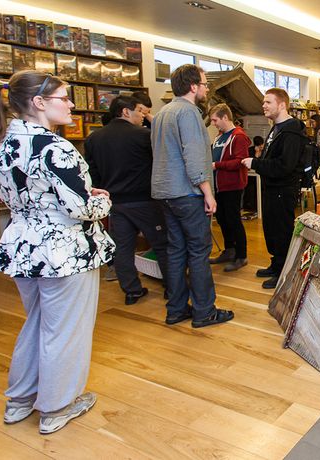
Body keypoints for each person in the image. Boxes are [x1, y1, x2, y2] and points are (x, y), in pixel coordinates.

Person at [0, 70, 115, 434]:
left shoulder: (1, 143)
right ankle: (57, 406)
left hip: (24, 246)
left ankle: (19, 400)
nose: (71, 104)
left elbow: (26, 193)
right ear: (39, 102)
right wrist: (103, 200)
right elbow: (81, 208)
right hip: (64, 250)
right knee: (65, 329)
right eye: (64, 98)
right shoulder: (54, 147)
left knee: (37, 324)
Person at [151, 64, 234, 327]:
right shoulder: (188, 113)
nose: (207, 89)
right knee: (199, 252)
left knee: (176, 251)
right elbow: (195, 156)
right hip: (188, 193)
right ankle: (204, 311)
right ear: (192, 86)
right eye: (204, 84)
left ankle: (176, 309)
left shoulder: (162, 113)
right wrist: (208, 193)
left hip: (165, 193)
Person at [85, 95, 170, 305]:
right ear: (125, 111)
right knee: (162, 244)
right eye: (139, 111)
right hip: (145, 200)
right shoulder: (143, 135)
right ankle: (172, 286)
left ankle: (132, 291)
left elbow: (92, 174)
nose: (142, 116)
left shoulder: (94, 138)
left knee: (123, 248)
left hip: (115, 202)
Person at [241, 88, 303, 289]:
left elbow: (285, 165)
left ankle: (284, 271)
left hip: (282, 191)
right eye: (263, 102)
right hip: (272, 189)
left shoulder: (291, 131)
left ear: (282, 105)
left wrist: (256, 163)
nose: (263, 106)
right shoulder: (277, 128)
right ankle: (276, 264)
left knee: (282, 231)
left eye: (268, 102)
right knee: (272, 229)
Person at [208, 103, 250, 272]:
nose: (213, 123)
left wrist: (217, 165)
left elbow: (240, 161)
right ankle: (229, 250)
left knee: (234, 220)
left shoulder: (238, 136)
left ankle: (241, 255)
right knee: (223, 219)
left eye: (215, 120)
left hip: (233, 186)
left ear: (225, 117)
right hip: (219, 186)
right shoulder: (219, 137)